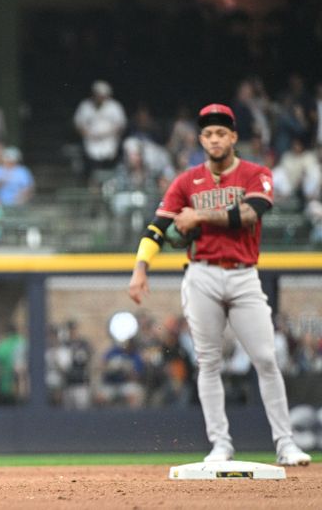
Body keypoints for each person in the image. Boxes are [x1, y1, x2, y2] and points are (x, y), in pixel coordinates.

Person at [128, 103, 311, 466]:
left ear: (233, 137)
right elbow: (157, 227)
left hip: (244, 274)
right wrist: (140, 267)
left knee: (265, 358)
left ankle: (285, 444)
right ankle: (220, 444)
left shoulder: (256, 173)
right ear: (201, 138)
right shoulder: (186, 180)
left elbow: (249, 214)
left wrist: (199, 215)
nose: (214, 138)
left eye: (221, 132)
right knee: (208, 362)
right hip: (202, 273)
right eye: (208, 133)